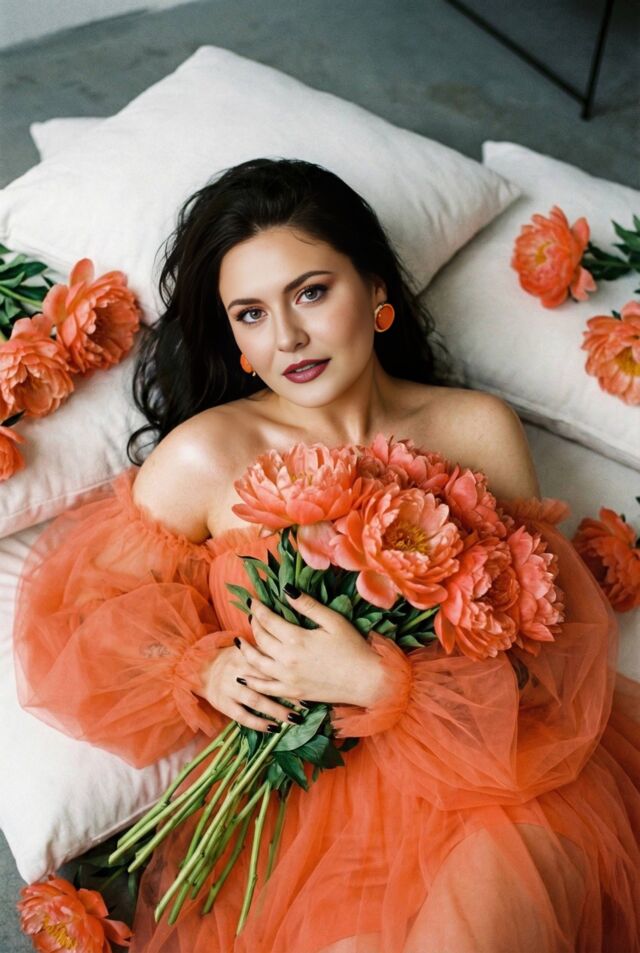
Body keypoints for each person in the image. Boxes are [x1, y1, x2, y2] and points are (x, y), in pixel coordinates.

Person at [13, 158, 640, 953]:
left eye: (311, 292)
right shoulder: (208, 455)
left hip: (498, 782)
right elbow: (78, 622)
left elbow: (545, 659)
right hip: (309, 813)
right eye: (251, 313)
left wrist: (385, 683)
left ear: (375, 290)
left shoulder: (476, 429)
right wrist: (203, 666)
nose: (287, 337)